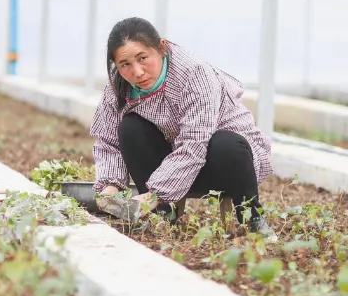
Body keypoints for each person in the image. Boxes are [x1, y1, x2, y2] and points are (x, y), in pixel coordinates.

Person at [91, 17, 273, 235]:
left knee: (226, 144)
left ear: (161, 48)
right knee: (130, 128)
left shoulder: (194, 73)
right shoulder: (119, 86)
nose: (137, 72)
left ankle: (253, 218)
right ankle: (161, 217)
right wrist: (109, 190)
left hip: (224, 165)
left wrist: (155, 194)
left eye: (143, 58)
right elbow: (108, 141)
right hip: (173, 165)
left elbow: (194, 144)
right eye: (125, 64)